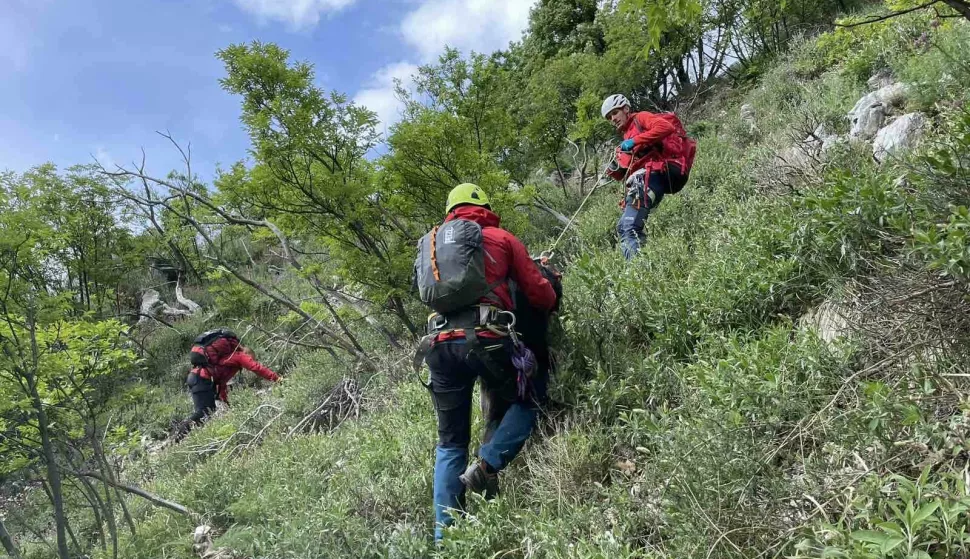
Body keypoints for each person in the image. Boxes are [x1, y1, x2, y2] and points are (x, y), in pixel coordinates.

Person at [413, 183, 558, 541]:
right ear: (484, 206)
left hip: (439, 346)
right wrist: (553, 290)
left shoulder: (431, 245)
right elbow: (538, 292)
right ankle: (487, 464)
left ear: (451, 210)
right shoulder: (500, 237)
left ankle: (444, 537)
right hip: (487, 340)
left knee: (449, 442)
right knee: (531, 396)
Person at [601, 94, 692, 260]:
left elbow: (665, 127)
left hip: (657, 173)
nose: (612, 119)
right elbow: (626, 171)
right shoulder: (626, 137)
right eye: (609, 117)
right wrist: (614, 169)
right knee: (623, 227)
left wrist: (634, 141)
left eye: (614, 113)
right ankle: (644, 264)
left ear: (626, 109)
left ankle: (638, 273)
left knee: (629, 227)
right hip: (647, 178)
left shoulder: (640, 118)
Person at [176, 330, 280, 439]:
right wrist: (277, 379)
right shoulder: (239, 356)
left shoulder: (226, 361)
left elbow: (221, 383)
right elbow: (256, 368)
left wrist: (226, 402)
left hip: (195, 377)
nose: (250, 361)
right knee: (204, 412)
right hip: (201, 378)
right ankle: (179, 435)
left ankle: (181, 434)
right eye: (251, 358)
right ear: (247, 353)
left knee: (206, 412)